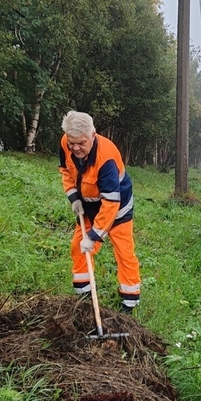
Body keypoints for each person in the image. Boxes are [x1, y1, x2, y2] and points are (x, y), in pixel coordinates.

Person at [58, 111, 141, 313]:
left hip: (117, 207)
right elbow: (66, 171)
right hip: (88, 206)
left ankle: (129, 303)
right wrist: (74, 197)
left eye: (81, 143)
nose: (76, 148)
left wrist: (94, 236)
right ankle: (84, 296)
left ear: (93, 135)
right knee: (78, 247)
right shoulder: (66, 142)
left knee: (124, 251)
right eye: (72, 143)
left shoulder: (107, 159)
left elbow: (111, 203)